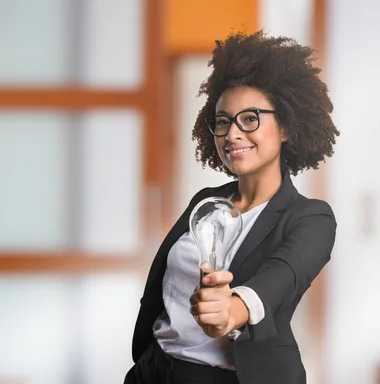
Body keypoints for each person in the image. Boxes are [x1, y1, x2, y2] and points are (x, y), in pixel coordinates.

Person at [125, 30, 339, 384]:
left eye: (250, 118)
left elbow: (281, 277)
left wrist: (233, 309)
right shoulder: (206, 202)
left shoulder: (310, 218)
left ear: (285, 126)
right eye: (223, 121)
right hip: (156, 372)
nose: (232, 134)